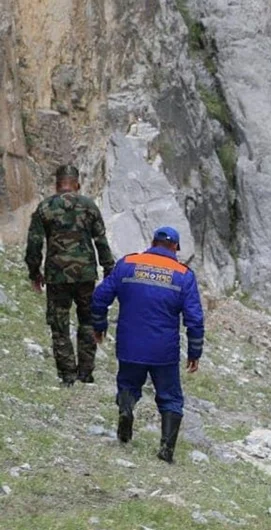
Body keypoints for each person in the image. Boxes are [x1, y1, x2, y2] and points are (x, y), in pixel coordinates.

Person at [91, 226, 204, 464]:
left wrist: (99, 325)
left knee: (128, 385)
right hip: (164, 350)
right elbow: (194, 319)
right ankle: (166, 449)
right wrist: (195, 352)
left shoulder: (128, 263)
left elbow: (100, 296)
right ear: (176, 247)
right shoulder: (183, 275)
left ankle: (126, 409)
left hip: (130, 344)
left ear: (152, 242)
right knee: (170, 398)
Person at [25, 165, 116, 386]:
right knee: (87, 321)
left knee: (59, 325)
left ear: (57, 184)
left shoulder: (45, 208)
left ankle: (67, 375)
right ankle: (85, 373)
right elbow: (101, 241)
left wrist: (34, 272)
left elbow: (34, 244)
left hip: (57, 277)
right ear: (77, 183)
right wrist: (109, 270)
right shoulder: (89, 207)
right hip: (85, 275)